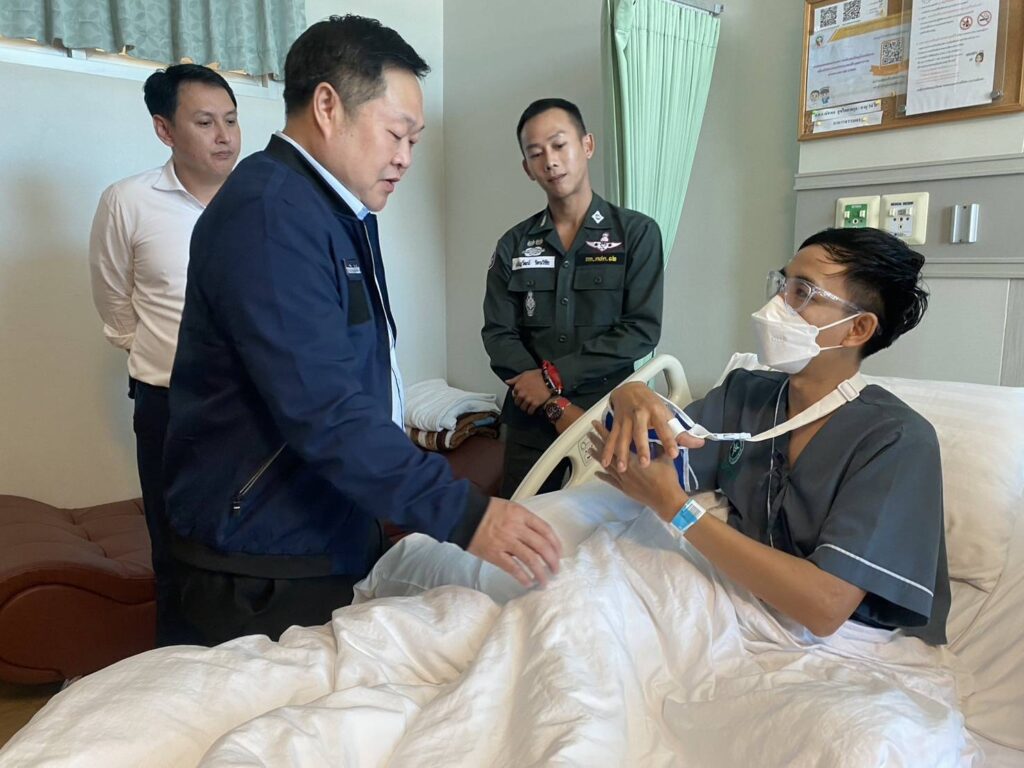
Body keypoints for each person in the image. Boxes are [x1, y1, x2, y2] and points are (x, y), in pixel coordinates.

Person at [163, 15, 561, 645]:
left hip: (321, 530)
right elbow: (325, 408)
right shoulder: (271, 215)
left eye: (415, 141)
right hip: (262, 559)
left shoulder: (336, 211)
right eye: (396, 134)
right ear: (328, 106)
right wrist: (465, 514)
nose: (405, 158)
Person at [594, 227, 950, 643]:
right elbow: (647, 463)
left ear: (857, 329)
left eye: (803, 292)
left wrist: (678, 509)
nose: (776, 304)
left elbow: (825, 607)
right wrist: (629, 396)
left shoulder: (898, 441)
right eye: (783, 284)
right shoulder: (745, 394)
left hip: (847, 645)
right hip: (737, 607)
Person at [88, 64, 240, 645]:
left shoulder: (262, 201)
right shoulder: (128, 201)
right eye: (205, 122)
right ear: (164, 129)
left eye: (231, 120)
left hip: (254, 404)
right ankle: (176, 664)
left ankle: (254, 662)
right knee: (174, 545)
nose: (224, 136)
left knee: (252, 542)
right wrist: (161, 354)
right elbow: (115, 303)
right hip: (169, 404)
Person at [482, 98, 664, 499]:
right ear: (527, 169)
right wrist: (551, 402)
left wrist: (554, 378)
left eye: (559, 145)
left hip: (606, 418)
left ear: (587, 145)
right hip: (531, 424)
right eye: (536, 153)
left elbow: (641, 330)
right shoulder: (514, 244)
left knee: (605, 529)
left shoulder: (636, 234)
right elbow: (498, 334)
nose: (550, 160)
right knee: (523, 527)